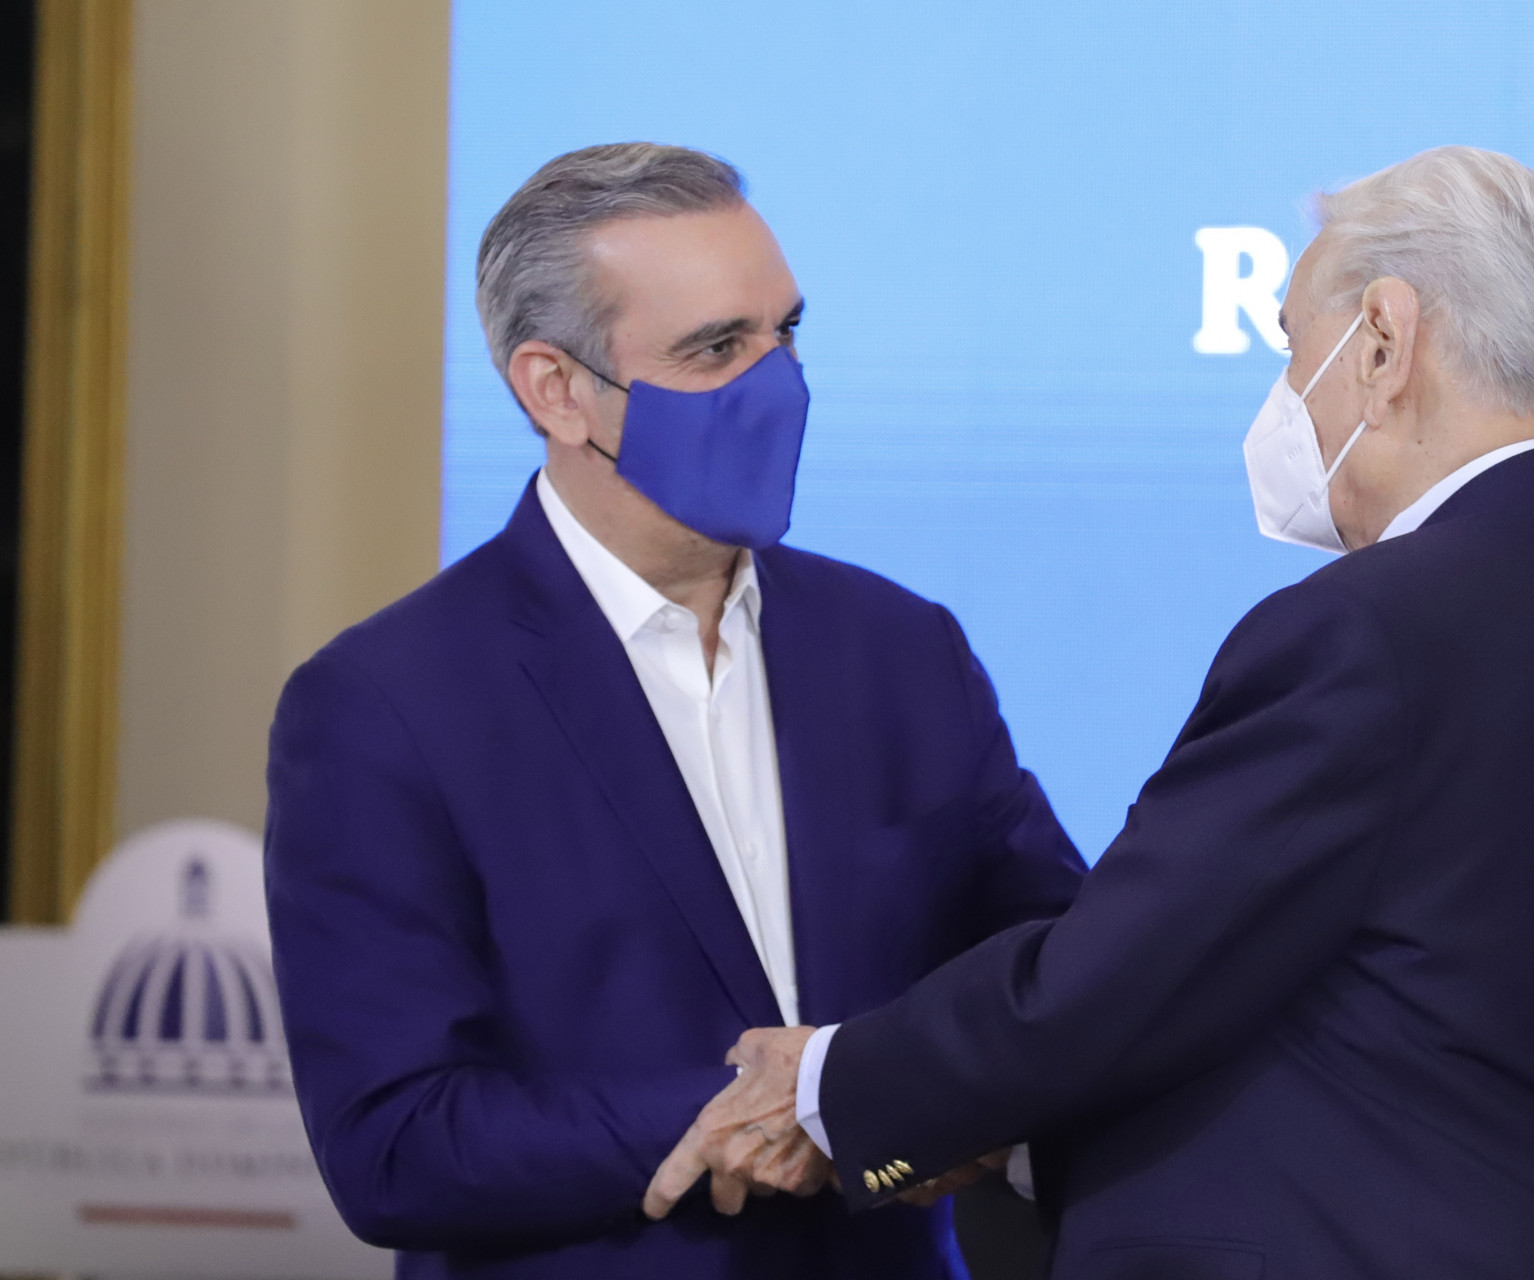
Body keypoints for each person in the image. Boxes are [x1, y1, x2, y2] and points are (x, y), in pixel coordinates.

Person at [646, 146, 1534, 1279]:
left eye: (1293, 345)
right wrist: (1010, 1127)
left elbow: (1124, 972)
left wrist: (831, 1086)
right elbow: (1368, 1008)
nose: (1287, 393)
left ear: (1385, 342)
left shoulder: (1377, 626)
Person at [263, 142, 1085, 1280]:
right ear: (555, 389)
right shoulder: (386, 704)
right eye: (716, 349)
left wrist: (880, 1102)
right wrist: (754, 1114)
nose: (776, 384)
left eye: (786, 333)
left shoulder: (901, 650)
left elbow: (1056, 973)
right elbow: (393, 1143)